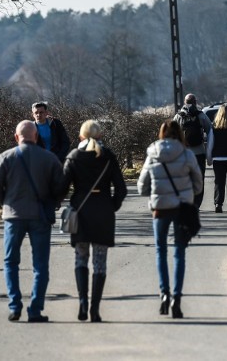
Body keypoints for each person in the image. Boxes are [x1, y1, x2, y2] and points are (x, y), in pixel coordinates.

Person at [0, 120, 64, 323]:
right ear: (36, 136)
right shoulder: (49, 158)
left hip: (14, 217)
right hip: (40, 216)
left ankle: (15, 306)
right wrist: (52, 203)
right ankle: (35, 310)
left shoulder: (6, 157)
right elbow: (61, 187)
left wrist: (7, 203)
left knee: (11, 262)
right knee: (40, 266)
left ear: (16, 137)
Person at [61, 120, 127, 322]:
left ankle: (82, 302)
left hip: (80, 213)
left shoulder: (73, 157)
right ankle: (95, 309)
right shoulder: (108, 157)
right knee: (100, 262)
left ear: (80, 137)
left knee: (81, 258)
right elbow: (121, 189)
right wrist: (111, 206)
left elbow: (62, 188)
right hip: (103, 213)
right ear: (100, 137)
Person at [137, 120, 203, 319]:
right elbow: (198, 184)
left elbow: (142, 187)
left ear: (161, 134)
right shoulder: (186, 154)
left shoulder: (152, 154)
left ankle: (164, 294)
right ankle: (177, 298)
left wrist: (154, 196)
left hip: (160, 209)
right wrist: (188, 194)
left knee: (160, 251)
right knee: (179, 253)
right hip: (182, 208)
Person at [173, 93, 211, 208]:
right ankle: (197, 203)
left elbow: (172, 134)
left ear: (185, 102)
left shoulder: (178, 116)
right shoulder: (201, 115)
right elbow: (210, 130)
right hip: (199, 153)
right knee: (199, 178)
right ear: (195, 102)